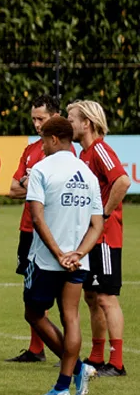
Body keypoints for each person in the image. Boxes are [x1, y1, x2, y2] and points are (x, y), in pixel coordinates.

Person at [23, 114, 101, 395]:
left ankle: (74, 373)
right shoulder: (88, 174)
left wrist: (58, 254)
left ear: (54, 139)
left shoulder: (42, 170)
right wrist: (77, 253)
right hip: (78, 261)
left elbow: (37, 217)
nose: (41, 145)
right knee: (71, 317)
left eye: (43, 139)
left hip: (46, 259)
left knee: (33, 313)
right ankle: (63, 385)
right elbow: (97, 224)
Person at [68, 100, 131, 377]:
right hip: (90, 237)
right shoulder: (84, 155)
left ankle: (116, 363)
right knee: (92, 297)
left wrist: (104, 216)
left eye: (72, 119)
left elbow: (123, 181)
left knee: (106, 297)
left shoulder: (100, 150)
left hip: (104, 237)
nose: (69, 124)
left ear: (87, 123)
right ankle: (96, 356)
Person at [6, 94, 58, 362]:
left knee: (57, 292)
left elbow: (52, 189)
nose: (37, 124)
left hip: (49, 229)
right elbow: (12, 189)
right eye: (34, 119)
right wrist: (31, 184)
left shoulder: (62, 151)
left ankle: (63, 349)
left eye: (42, 119)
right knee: (31, 289)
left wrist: (30, 183)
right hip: (28, 227)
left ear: (55, 117)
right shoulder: (31, 149)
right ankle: (36, 349)